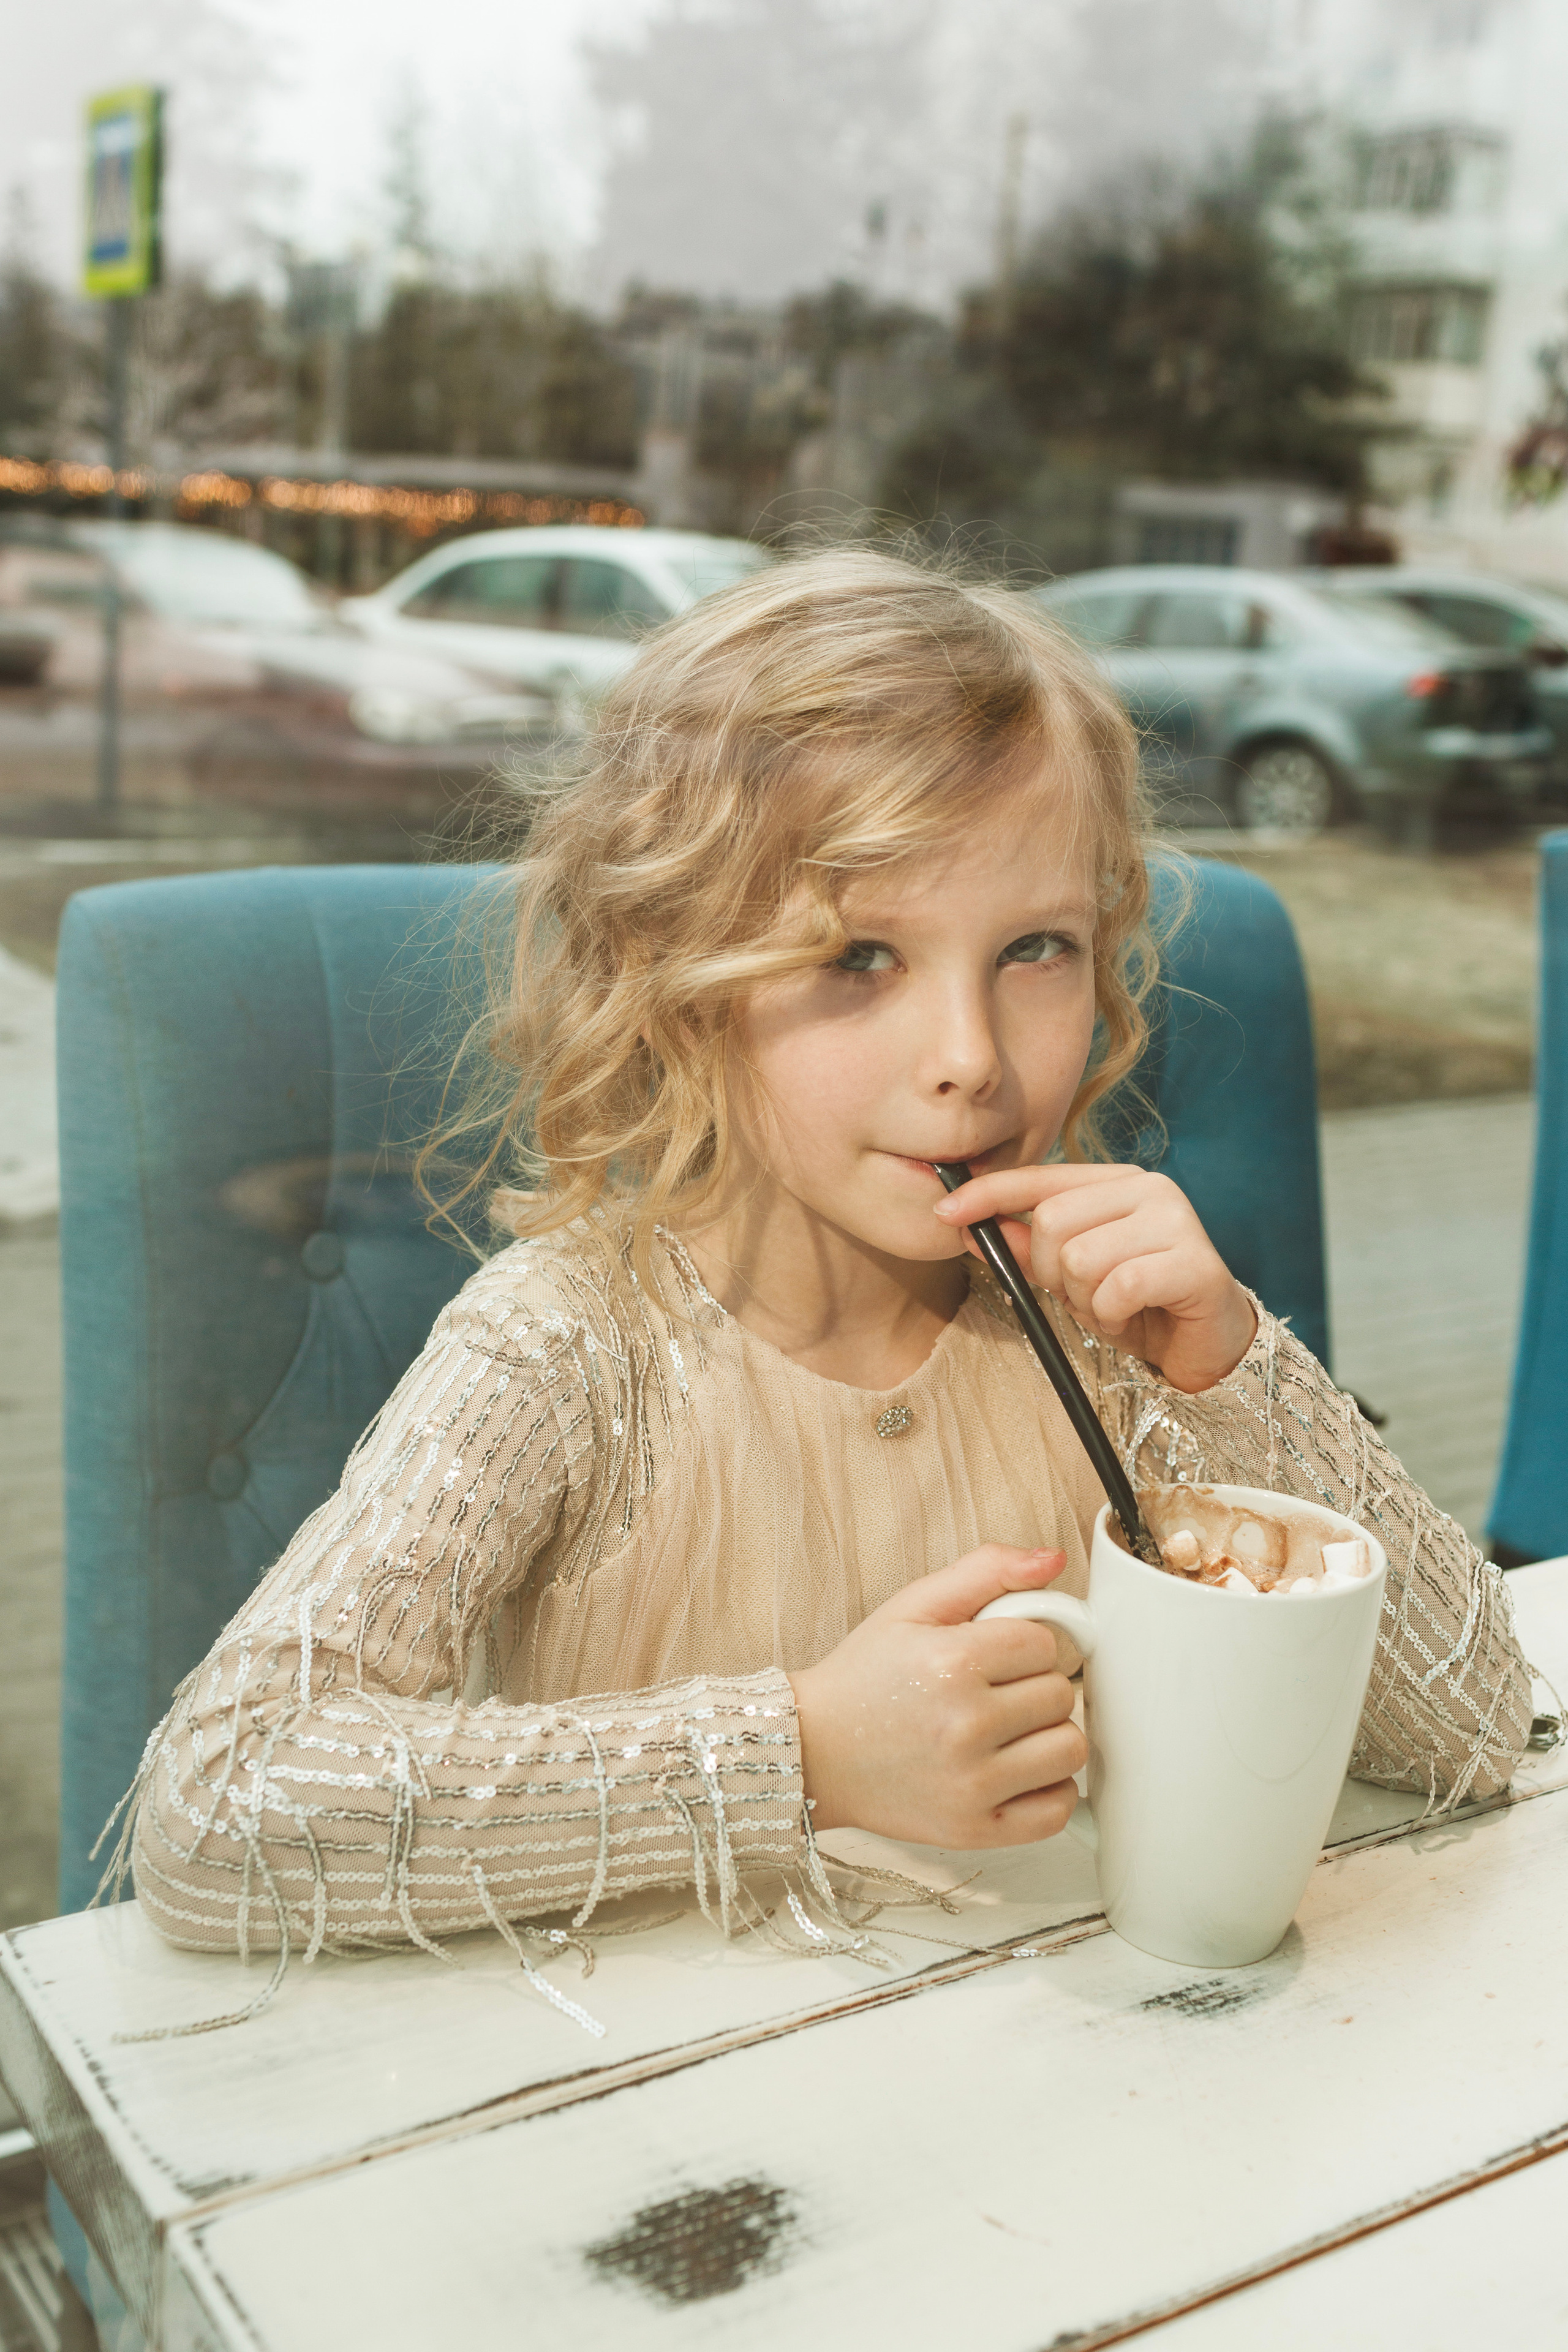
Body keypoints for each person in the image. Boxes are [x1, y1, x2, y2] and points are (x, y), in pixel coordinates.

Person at [125, 549, 1532, 1999]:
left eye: (1034, 948)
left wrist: (1233, 1367)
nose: (971, 1059)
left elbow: (1475, 1725)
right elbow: (219, 1807)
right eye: (859, 955)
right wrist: (800, 1752)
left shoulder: (1108, 1335)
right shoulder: (568, 1348)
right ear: (670, 976)